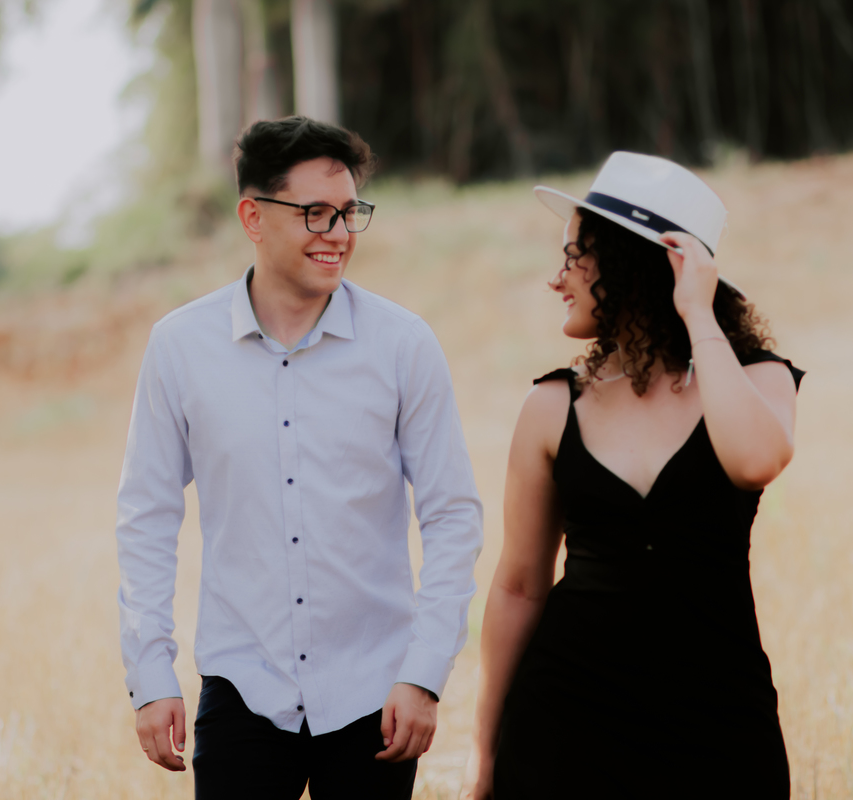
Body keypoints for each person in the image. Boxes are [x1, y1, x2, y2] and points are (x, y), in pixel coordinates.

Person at [115, 116, 483, 799]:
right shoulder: (179, 347)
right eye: (315, 213)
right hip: (242, 685)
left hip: (378, 693)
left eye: (349, 213)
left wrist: (425, 672)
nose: (338, 233)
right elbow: (147, 516)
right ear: (252, 217)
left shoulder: (403, 345)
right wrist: (151, 673)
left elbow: (453, 516)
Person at [464, 152, 803, 799]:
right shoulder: (552, 405)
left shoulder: (758, 379)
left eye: (573, 256)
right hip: (564, 726)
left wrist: (698, 314)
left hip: (719, 724)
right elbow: (519, 587)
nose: (556, 279)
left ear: (628, 262)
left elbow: (755, 461)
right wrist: (483, 754)